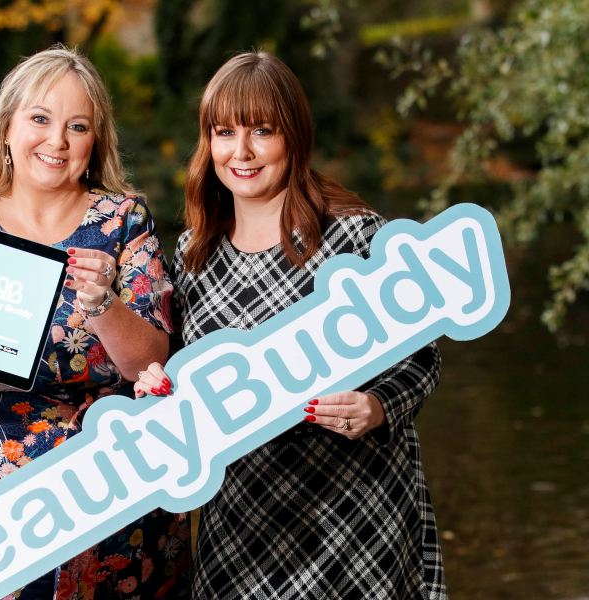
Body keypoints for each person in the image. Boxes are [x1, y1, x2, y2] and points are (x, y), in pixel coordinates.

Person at [134, 51, 446, 599]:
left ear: (294, 137)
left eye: (262, 130)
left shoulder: (353, 239)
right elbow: (188, 382)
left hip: (354, 518)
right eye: (225, 132)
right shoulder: (192, 256)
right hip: (243, 524)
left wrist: (377, 408)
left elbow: (422, 357)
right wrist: (159, 389)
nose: (242, 152)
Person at [0, 45, 191, 600]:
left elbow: (151, 366)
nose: (57, 140)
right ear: (8, 127)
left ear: (94, 142)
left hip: (119, 482)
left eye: (77, 126)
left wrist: (101, 304)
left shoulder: (122, 220)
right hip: (6, 506)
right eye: (40, 118)